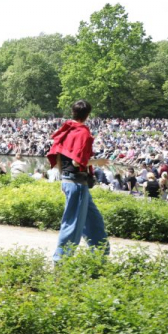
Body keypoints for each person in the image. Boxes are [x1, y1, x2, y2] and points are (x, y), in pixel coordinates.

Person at [47, 100, 110, 263]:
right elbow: (77, 162)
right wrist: (98, 162)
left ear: (73, 112)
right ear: (88, 115)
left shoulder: (66, 130)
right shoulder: (83, 133)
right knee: (73, 226)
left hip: (70, 182)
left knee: (95, 222)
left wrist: (63, 179)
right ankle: (60, 263)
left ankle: (100, 257)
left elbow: (59, 157)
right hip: (77, 185)